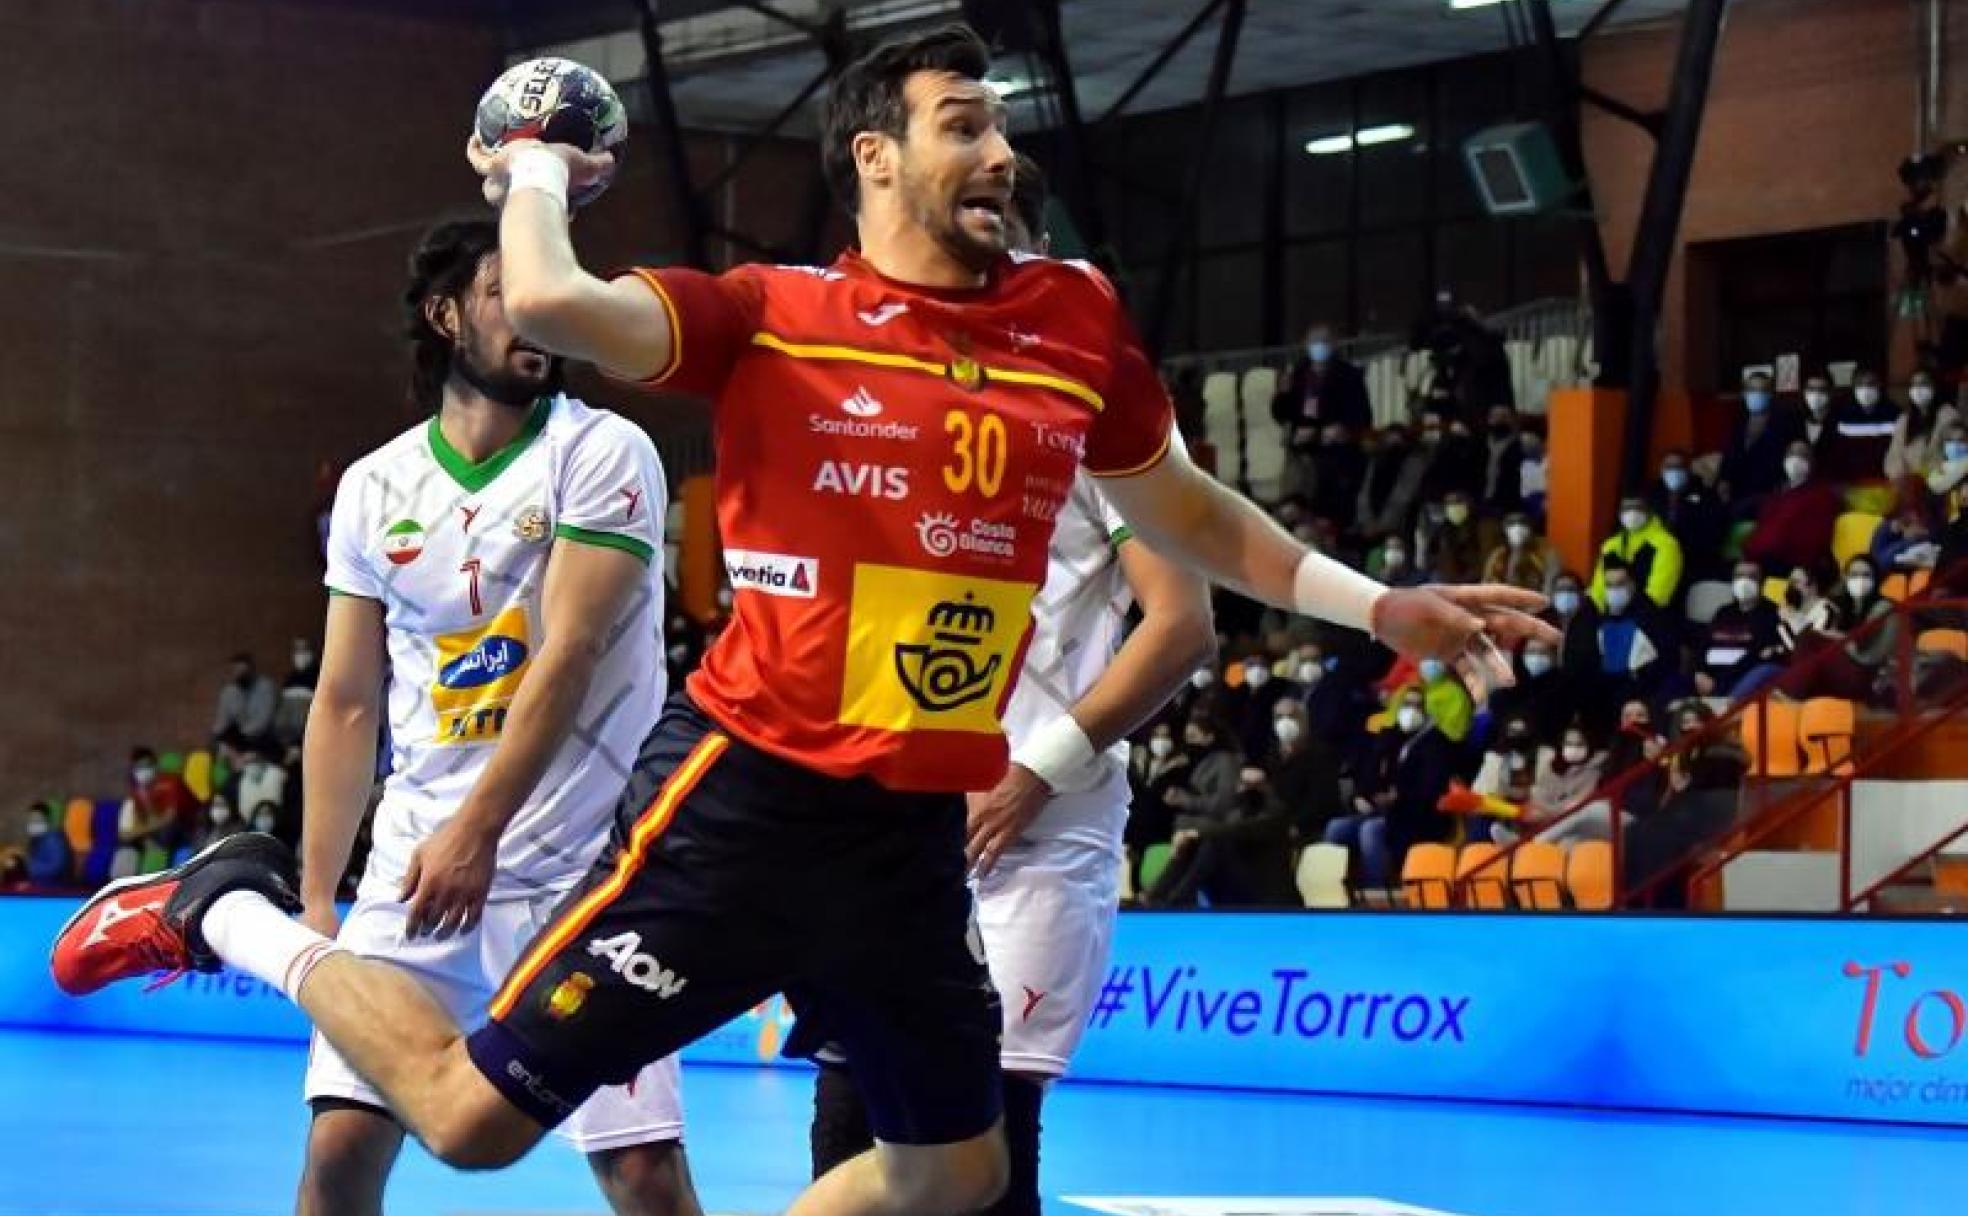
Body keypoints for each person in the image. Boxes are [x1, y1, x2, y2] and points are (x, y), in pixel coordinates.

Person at [52, 27, 1551, 1214]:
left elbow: (1190, 515)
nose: (1002, 152)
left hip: (910, 836)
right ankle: (227, 907)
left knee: (958, 1175)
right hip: (746, 805)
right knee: (467, 1123)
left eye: (1003, 125)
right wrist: (532, 164)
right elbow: (556, 305)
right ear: (875, 158)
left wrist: (1381, 604)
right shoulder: (771, 316)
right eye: (964, 124)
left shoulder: (1072, 324)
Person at [808, 158, 1216, 1216]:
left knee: (993, 1131)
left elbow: (1182, 625)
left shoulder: (1107, 412)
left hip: (1039, 820)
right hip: (897, 813)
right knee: (850, 1104)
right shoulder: (891, 404)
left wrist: (1036, 771)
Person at [304, 221, 698, 1216]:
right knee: (340, 1152)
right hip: (416, 874)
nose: (534, 316)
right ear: (446, 316)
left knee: (642, 1173)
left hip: (584, 874)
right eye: (503, 295)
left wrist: (477, 831)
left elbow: (569, 653)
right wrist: (315, 896)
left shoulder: (604, 450)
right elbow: (346, 702)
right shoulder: (373, 488)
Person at [24, 802, 73, 887]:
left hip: (54, 886)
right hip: (39, 883)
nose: (33, 823)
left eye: (37, 821)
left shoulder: (53, 840)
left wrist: (26, 868)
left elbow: (56, 868)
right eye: (31, 820)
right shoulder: (37, 839)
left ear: (47, 821)